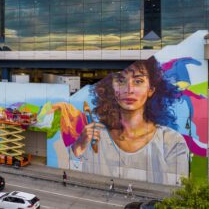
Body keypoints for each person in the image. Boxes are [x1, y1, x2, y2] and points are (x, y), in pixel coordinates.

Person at [70, 57, 189, 185]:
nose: (129, 89)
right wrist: (78, 147)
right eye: (121, 80)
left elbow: (178, 190)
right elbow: (73, 175)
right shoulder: (93, 137)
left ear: (151, 89)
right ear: (111, 88)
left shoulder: (171, 142)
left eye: (138, 81)